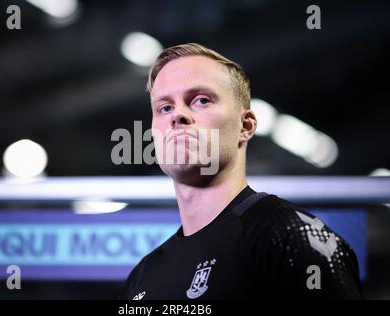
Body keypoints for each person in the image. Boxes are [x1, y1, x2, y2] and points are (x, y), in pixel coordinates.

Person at [121, 43, 362, 299]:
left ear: (245, 125)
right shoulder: (141, 277)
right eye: (164, 107)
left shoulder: (294, 237)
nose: (177, 115)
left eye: (201, 100)